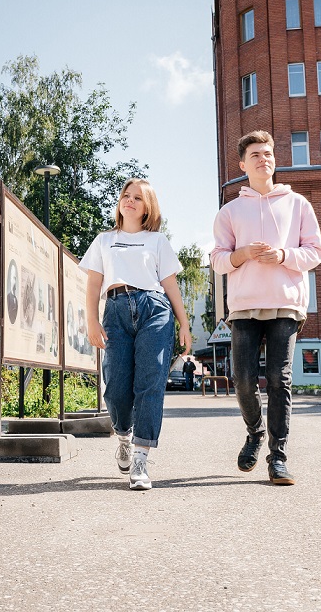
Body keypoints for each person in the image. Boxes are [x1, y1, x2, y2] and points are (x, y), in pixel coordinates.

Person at [211, 131, 321, 486]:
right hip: (244, 306)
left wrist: (284, 256)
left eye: (268, 153)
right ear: (243, 165)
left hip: (286, 303)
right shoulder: (230, 211)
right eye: (256, 155)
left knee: (279, 378)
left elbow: (315, 252)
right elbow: (217, 260)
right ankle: (255, 433)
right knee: (243, 378)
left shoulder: (298, 205)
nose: (264, 159)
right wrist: (241, 254)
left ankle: (279, 457)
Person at [80, 178, 192, 490]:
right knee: (115, 385)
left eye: (138, 198)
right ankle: (124, 436)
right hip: (115, 310)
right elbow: (92, 285)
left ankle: (141, 459)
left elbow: (170, 286)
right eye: (126, 196)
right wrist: (91, 321)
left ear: (147, 208)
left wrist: (184, 324)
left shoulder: (157, 241)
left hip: (154, 309)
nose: (129, 201)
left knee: (150, 383)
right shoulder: (104, 240)